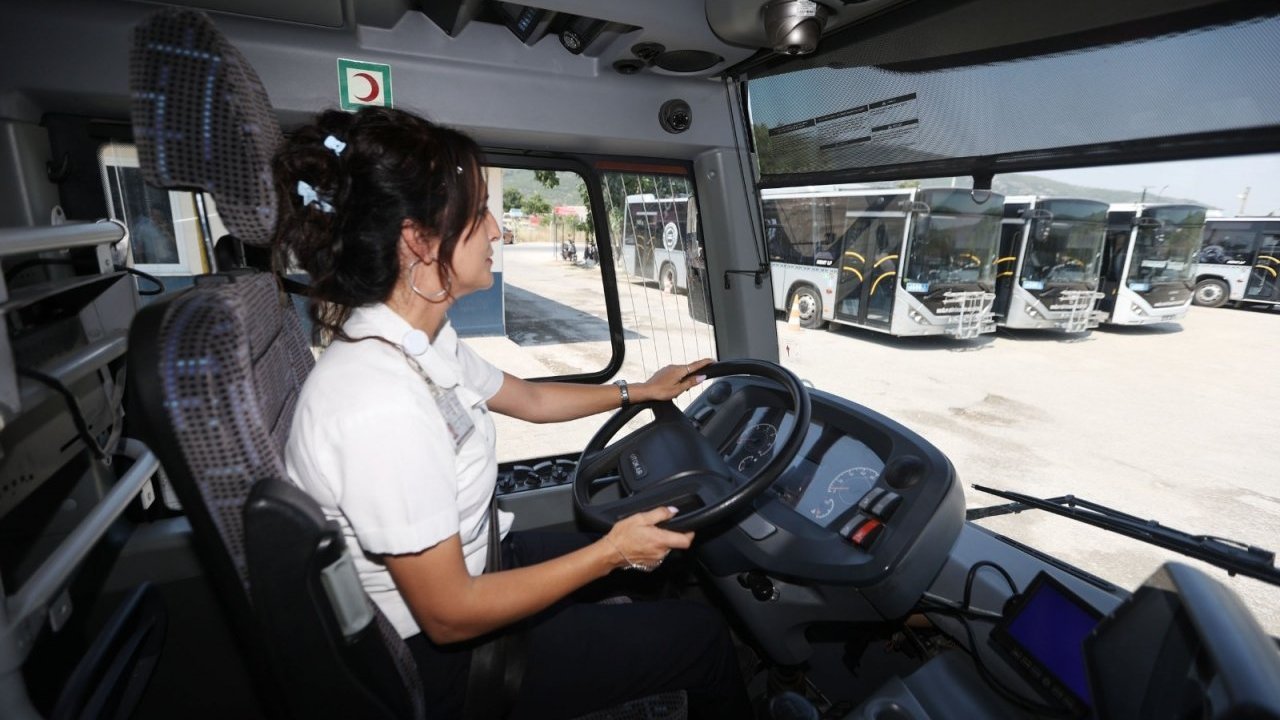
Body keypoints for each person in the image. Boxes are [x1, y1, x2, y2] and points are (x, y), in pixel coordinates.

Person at [272, 106, 750, 720]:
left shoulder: (417, 342)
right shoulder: (377, 401)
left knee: (666, 560)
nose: (497, 229)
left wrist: (642, 391)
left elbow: (531, 399)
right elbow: (450, 615)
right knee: (700, 640)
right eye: (478, 213)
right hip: (454, 662)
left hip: (487, 557)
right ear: (419, 241)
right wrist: (612, 552)